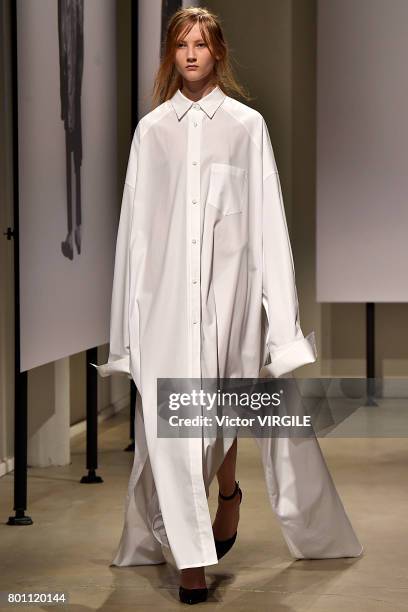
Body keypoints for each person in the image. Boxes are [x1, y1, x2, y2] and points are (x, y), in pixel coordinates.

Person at [92, 6, 363, 606]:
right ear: (171, 54)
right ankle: (194, 566)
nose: (191, 55)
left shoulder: (246, 127)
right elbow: (132, 234)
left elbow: (269, 224)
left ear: (219, 53)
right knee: (173, 428)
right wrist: (125, 333)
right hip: (163, 301)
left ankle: (230, 493)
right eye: (181, 45)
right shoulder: (152, 131)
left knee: (223, 407)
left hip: (228, 297)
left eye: (202, 45)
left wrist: (282, 324)